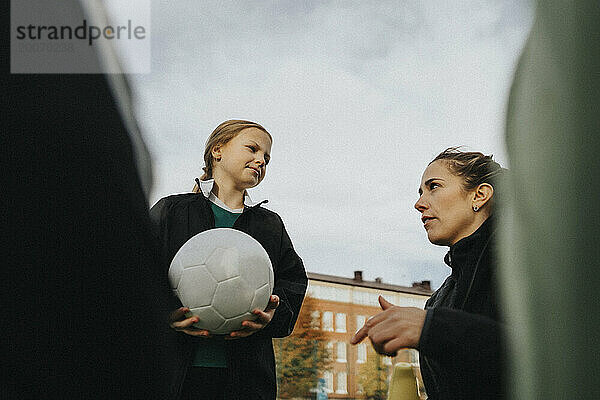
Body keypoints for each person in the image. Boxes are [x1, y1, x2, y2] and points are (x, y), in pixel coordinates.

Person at [150, 120, 308, 400]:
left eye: (267, 158)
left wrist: (273, 315)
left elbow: (292, 280)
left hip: (246, 380)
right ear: (218, 150)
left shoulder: (270, 225)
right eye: (252, 148)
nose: (260, 160)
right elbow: (134, 274)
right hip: (173, 376)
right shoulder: (171, 211)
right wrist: (162, 315)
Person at [351, 148, 505, 399]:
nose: (419, 203)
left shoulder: (527, 269)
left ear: (479, 194)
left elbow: (551, 356)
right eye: (420, 192)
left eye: (433, 186)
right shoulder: (439, 298)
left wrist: (431, 328)